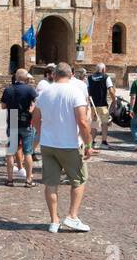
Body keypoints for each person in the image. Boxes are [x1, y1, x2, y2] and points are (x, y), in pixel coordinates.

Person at [32, 62, 92, 233]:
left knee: (51, 183)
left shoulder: (44, 93)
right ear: (71, 75)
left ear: (54, 75)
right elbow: (82, 121)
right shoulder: (75, 92)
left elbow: (35, 119)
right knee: (79, 180)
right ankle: (72, 216)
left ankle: (54, 221)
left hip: (48, 144)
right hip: (70, 144)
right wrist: (88, 144)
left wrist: (43, 132)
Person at [1, 68, 38, 186]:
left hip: (12, 120)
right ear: (25, 78)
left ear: (16, 77)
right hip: (26, 120)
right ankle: (28, 180)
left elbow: (3, 106)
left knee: (10, 152)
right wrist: (31, 110)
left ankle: (10, 179)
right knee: (27, 152)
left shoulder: (8, 89)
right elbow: (37, 102)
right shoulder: (30, 89)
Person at [87, 63, 114, 148]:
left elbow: (87, 91)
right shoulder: (106, 77)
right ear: (103, 69)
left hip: (93, 104)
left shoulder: (89, 78)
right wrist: (114, 100)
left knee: (94, 123)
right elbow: (111, 90)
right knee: (104, 123)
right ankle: (104, 142)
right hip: (102, 104)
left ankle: (92, 142)